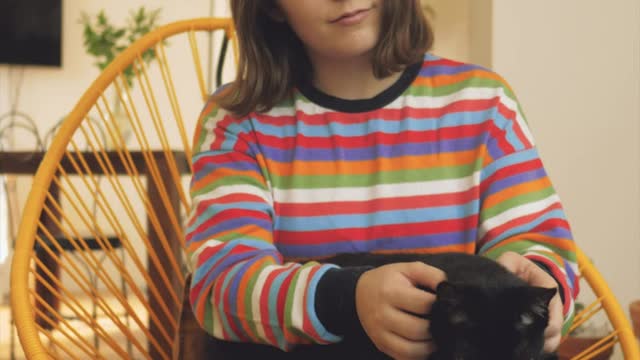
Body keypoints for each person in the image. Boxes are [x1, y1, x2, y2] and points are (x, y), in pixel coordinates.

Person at [185, 1, 579, 359]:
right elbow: (221, 286)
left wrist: (539, 280)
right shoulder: (237, 124)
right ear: (270, 7)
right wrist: (346, 300)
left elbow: (535, 244)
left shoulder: (484, 104)